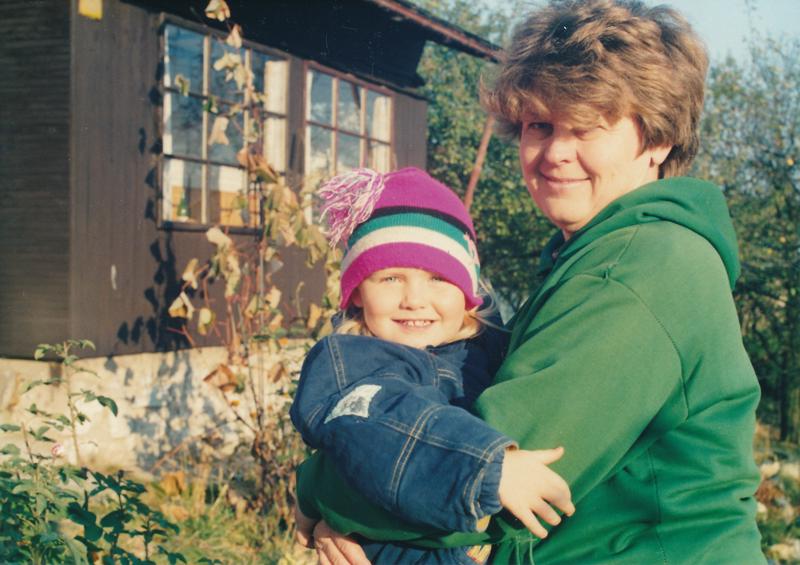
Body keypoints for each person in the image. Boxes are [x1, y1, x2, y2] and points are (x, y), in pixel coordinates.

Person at [303, 0, 766, 563]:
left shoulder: (635, 268)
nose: (555, 154)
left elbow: (498, 468)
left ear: (658, 139)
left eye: (587, 126)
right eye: (540, 125)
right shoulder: (597, 252)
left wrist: (322, 494)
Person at [289, 167, 575, 564]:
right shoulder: (350, 362)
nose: (414, 299)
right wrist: (487, 468)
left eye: (438, 278)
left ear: (468, 291)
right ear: (356, 293)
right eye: (390, 278)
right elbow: (384, 425)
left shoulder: (485, 347)